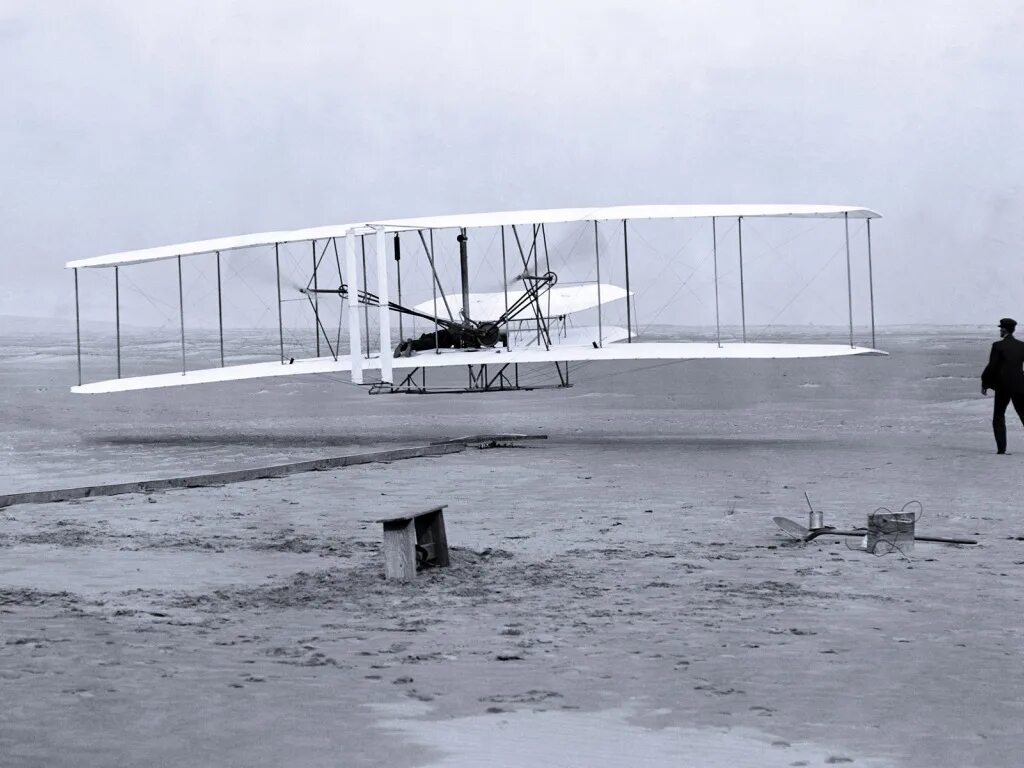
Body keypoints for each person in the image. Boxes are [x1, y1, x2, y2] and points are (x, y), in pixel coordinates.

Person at [981, 317, 1024, 454]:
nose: (1000, 330)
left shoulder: (998, 346)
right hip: (1019, 386)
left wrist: (985, 383)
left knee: (999, 416)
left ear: (1004, 330)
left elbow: (992, 366)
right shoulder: (1022, 345)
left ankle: (1001, 449)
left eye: (1000, 328)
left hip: (1003, 386)